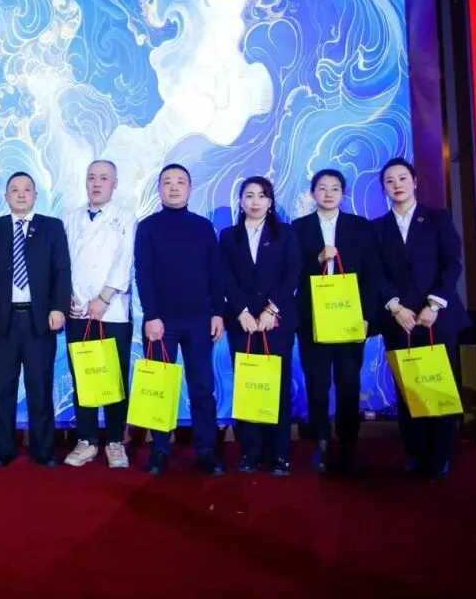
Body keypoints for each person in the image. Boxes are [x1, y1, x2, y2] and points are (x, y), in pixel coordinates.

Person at [373, 158, 469, 478]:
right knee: (408, 389)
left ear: (414, 182)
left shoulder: (438, 218)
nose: (397, 185)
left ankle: (441, 456)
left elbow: (452, 263)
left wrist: (434, 304)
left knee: (437, 385)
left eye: (402, 178)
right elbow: (376, 273)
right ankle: (415, 454)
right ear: (384, 188)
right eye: (389, 181)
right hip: (399, 318)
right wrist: (395, 307)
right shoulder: (377, 228)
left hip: (436, 317)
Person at [134, 163, 226, 476]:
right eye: (167, 182)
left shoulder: (203, 227)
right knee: (159, 386)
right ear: (159, 189)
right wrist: (151, 316)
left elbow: (215, 272)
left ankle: (206, 450)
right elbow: (143, 273)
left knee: (203, 387)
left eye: (180, 182)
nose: (174, 187)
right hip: (161, 323)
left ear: (190, 188)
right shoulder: (148, 226)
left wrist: (218, 313)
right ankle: (160, 449)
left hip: (200, 320)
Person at [0, 172, 71, 467]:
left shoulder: (52, 227)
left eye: (26, 190)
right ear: (6, 196)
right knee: (2, 389)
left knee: (40, 388)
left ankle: (43, 450)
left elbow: (62, 270)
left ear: (35, 196)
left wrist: (59, 307)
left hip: (39, 321)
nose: (20, 194)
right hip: (1, 323)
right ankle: (3, 449)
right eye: (14, 190)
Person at [293, 169, 379, 473]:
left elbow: (372, 275)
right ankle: (321, 443)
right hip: (313, 320)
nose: (328, 193)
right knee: (317, 385)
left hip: (349, 318)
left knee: (348, 384)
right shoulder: (298, 228)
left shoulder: (359, 226)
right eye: (322, 188)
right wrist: (315, 260)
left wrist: (366, 317)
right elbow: (290, 272)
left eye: (334, 188)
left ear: (343, 193)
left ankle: (348, 445)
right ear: (312, 193)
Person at [219, 177, 301, 475]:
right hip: (242, 323)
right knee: (248, 385)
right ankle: (250, 453)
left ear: (270, 201)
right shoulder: (228, 236)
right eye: (249, 196)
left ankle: (279, 454)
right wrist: (241, 310)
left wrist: (271, 309)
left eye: (262, 196)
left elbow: (292, 273)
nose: (255, 201)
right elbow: (224, 276)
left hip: (276, 321)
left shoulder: (286, 233)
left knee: (277, 386)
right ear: (241, 201)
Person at [62, 160, 136, 469]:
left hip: (112, 310)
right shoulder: (70, 218)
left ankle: (115, 441)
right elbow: (62, 262)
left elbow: (125, 260)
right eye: (91, 177)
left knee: (114, 378)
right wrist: (67, 295)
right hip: (78, 311)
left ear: (115, 184)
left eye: (104, 178)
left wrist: (104, 297)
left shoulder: (126, 217)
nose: (96, 183)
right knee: (84, 376)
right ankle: (87, 440)